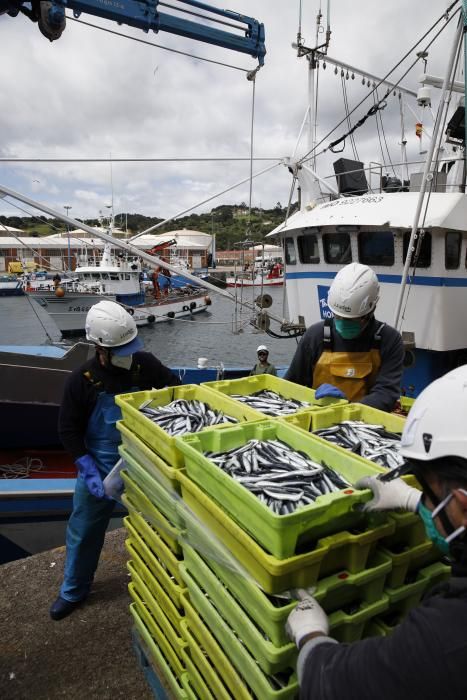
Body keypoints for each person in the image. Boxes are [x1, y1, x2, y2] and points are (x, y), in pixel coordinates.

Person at [286, 365, 467, 699]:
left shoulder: (443, 640)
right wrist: (414, 500)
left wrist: (310, 636)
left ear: (461, 506)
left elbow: (331, 682)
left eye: (426, 491)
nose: (425, 501)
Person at [50, 300, 181, 621]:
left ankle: (170, 584)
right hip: (100, 467)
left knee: (164, 526)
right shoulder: (81, 380)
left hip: (145, 461)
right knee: (83, 530)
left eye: (130, 347)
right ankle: (73, 590)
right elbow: (67, 429)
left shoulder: (144, 365)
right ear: (100, 349)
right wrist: (85, 465)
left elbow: (178, 392)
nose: (128, 354)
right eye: (121, 349)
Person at [285, 262, 404, 412]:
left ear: (371, 310)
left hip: (364, 424)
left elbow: (385, 394)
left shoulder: (390, 340)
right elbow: (292, 384)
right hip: (316, 417)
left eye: (352, 319)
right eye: (338, 317)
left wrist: (346, 409)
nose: (343, 323)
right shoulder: (315, 336)